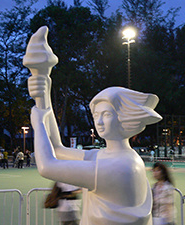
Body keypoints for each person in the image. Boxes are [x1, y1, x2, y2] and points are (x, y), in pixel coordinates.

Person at [26, 25, 163, 225]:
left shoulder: (120, 166)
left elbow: (47, 166)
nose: (98, 121)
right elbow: (57, 149)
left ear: (124, 118)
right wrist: (44, 92)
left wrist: (38, 123)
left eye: (106, 114)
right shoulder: (108, 156)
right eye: (96, 114)